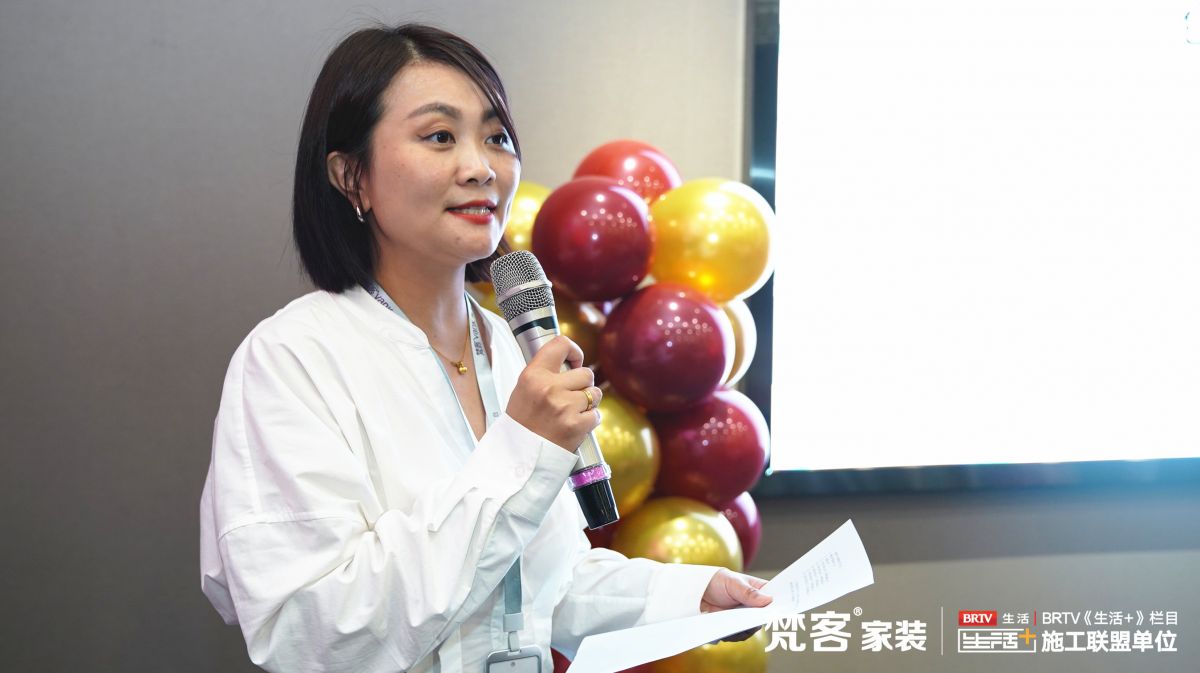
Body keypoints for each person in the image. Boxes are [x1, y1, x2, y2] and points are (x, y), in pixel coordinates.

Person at [199, 23, 771, 673]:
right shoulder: (292, 358)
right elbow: (311, 630)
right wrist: (521, 450)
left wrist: (688, 595)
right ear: (352, 176)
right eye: (439, 136)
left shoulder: (506, 342)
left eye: (496, 137)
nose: (480, 167)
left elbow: (539, 584)